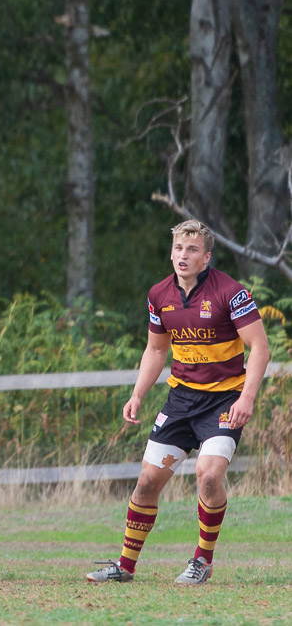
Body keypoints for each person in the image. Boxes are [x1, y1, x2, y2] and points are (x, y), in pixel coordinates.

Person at [86, 219, 270, 585]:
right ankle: (125, 567)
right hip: (181, 401)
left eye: (192, 250)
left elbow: (261, 348)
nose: (183, 256)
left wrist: (247, 398)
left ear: (206, 258)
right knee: (147, 481)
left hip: (223, 401)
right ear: (171, 253)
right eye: (178, 249)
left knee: (209, 475)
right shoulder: (159, 295)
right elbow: (156, 350)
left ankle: (202, 560)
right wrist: (137, 394)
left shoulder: (230, 293)